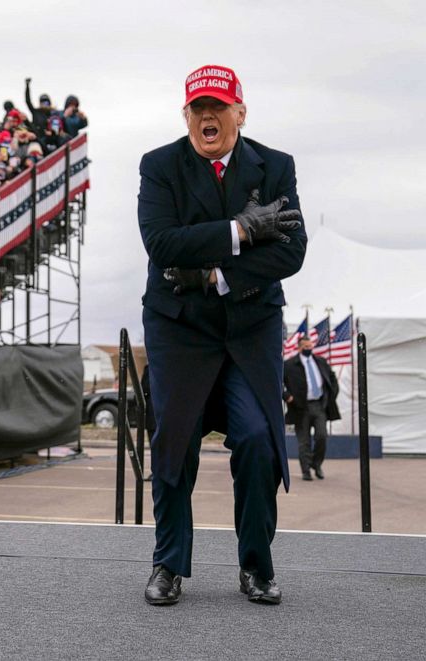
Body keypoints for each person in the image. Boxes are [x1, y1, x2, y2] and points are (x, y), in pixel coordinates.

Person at [137, 65, 305, 606]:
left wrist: (217, 273)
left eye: (218, 107)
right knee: (175, 439)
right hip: (179, 328)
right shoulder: (159, 166)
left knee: (257, 438)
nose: (207, 116)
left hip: (249, 327)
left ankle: (256, 566)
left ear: (240, 112)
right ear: (186, 114)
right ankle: (168, 564)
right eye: (197, 108)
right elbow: (161, 244)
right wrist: (240, 230)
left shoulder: (276, 166)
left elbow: (290, 252)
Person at [283, 336, 340, 481]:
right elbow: (277, 382)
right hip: (300, 407)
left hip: (319, 405)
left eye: (310, 346)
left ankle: (316, 463)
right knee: (304, 442)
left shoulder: (320, 361)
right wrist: (287, 396)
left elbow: (332, 378)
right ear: (300, 348)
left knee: (322, 436)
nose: (309, 349)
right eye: (306, 347)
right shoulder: (289, 365)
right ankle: (306, 470)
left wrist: (331, 396)